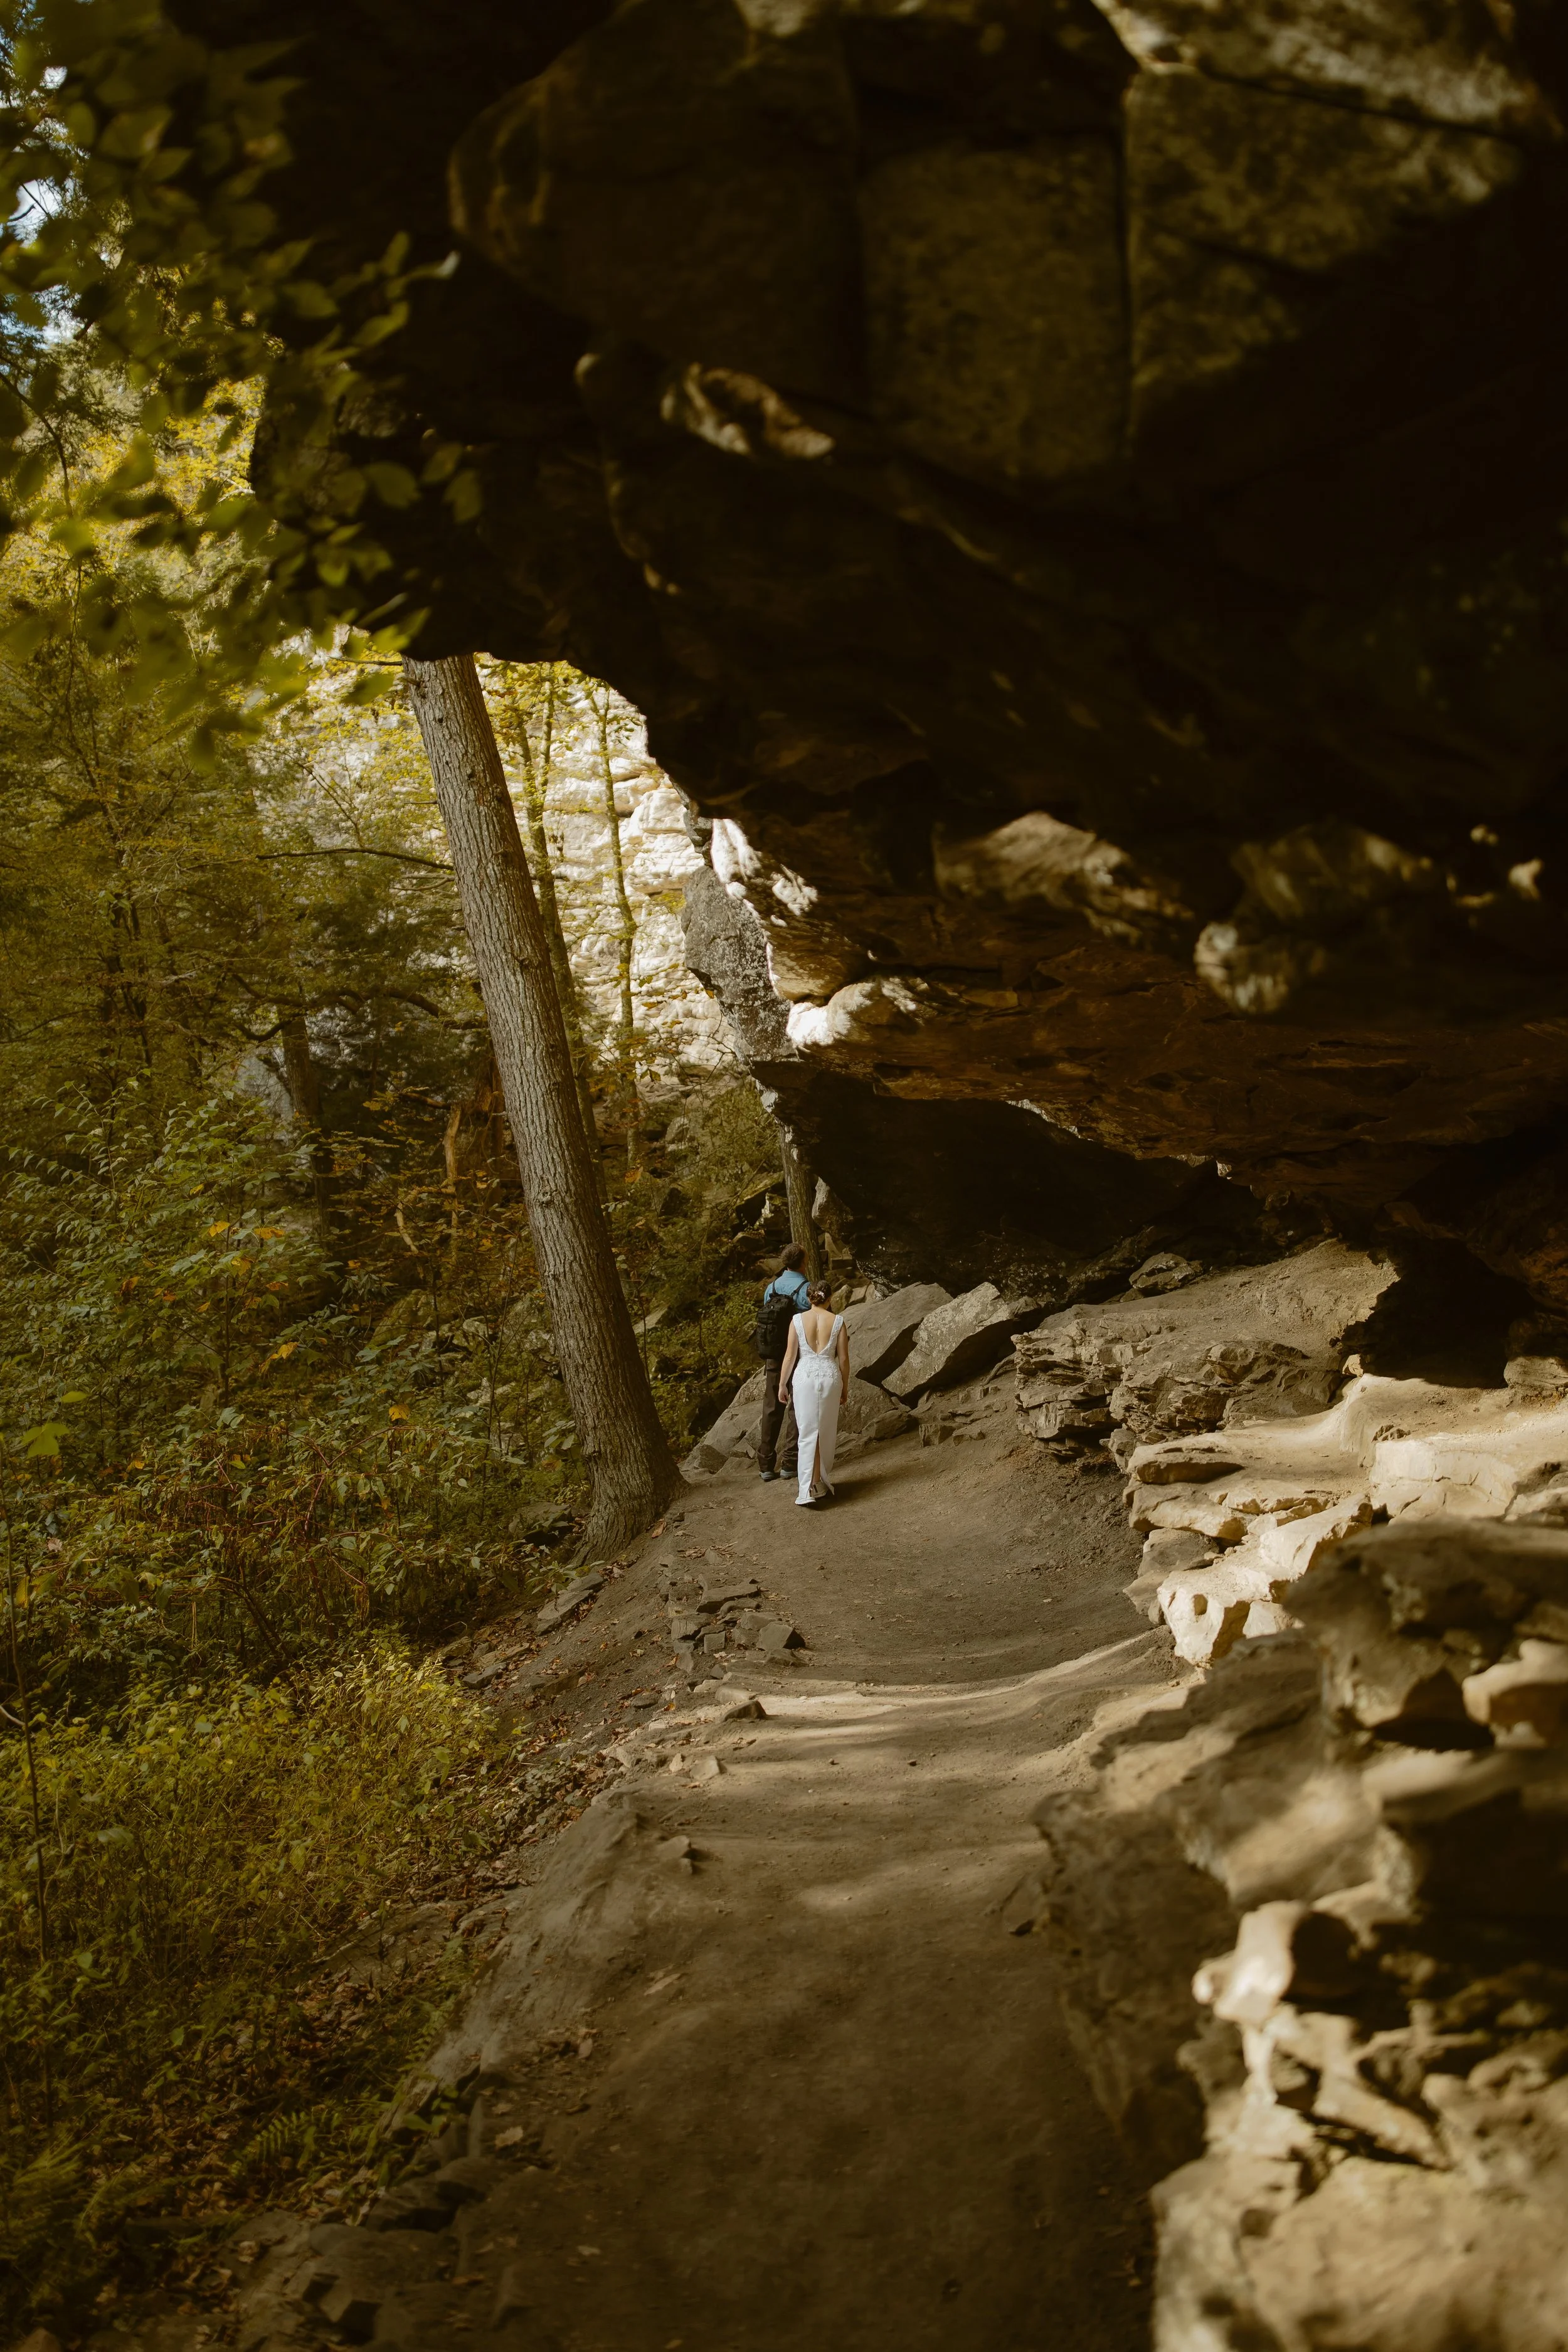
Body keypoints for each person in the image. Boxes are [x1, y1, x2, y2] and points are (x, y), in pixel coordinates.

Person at [778, 1280, 849, 1507]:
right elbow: (843, 1359)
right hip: (830, 1378)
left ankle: (808, 1486)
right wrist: (845, 1386)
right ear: (830, 1298)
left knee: (807, 1432)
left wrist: (782, 1384)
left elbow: (790, 1356)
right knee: (824, 1432)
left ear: (809, 1298)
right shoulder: (838, 1321)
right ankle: (816, 1481)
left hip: (805, 1378)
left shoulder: (797, 1320)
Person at [755, 1244, 811, 1483]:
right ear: (803, 1262)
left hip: (774, 1355)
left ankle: (766, 1465)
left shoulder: (773, 1287)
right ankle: (790, 1463)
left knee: (771, 1407)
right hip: (799, 1354)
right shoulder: (806, 1289)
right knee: (798, 1407)